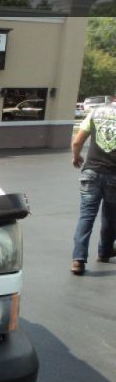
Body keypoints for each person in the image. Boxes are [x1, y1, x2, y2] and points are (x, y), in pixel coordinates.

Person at [70, 100, 116, 275]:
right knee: (111, 216)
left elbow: (77, 141)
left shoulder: (96, 112)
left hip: (91, 172)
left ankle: (78, 260)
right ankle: (104, 252)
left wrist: (76, 157)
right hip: (114, 175)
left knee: (86, 216)